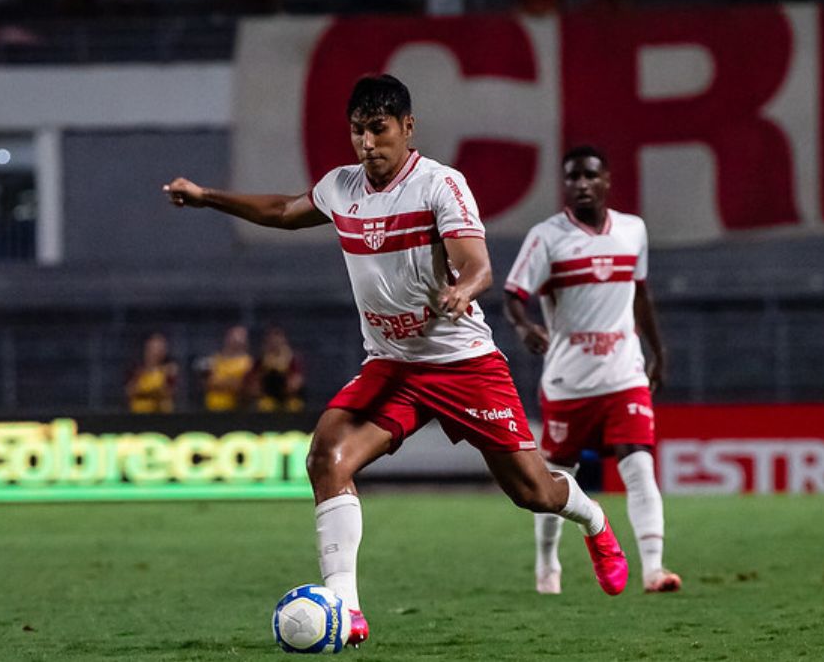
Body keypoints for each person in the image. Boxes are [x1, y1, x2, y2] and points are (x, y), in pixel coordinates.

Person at [163, 74, 628, 648]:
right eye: (357, 131)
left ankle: (596, 523)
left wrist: (465, 289)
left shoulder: (440, 186)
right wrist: (209, 197)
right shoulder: (340, 188)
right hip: (392, 365)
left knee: (532, 492)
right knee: (326, 457)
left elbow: (477, 262)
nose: (366, 143)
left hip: (463, 365)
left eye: (378, 130)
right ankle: (348, 611)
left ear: (408, 127)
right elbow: (285, 209)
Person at [503, 145, 682, 595]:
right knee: (553, 482)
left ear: (607, 181)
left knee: (639, 467)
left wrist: (658, 351)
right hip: (569, 383)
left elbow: (640, 293)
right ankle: (547, 565)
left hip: (624, 375)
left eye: (589, 175)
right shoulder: (547, 237)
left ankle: (654, 570)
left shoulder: (632, 231)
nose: (581, 184)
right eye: (573, 177)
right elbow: (512, 294)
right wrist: (524, 327)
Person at [199, 325, 254, 412]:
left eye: (241, 337)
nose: (236, 340)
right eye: (233, 336)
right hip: (211, 411)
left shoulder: (248, 363)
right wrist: (230, 380)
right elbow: (206, 384)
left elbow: (240, 386)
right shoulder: (212, 360)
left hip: (234, 412)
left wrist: (218, 381)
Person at [253, 325, 306, 413]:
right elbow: (254, 382)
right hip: (268, 397)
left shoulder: (292, 358)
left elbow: (296, 382)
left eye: (278, 338)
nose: (275, 342)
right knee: (264, 406)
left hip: (288, 398)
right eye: (271, 339)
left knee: (294, 406)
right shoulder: (262, 359)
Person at [126, 332, 178, 413]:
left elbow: (171, 392)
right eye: (156, 347)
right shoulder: (137, 368)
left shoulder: (169, 369)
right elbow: (129, 391)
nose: (159, 351)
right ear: (148, 348)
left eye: (162, 348)